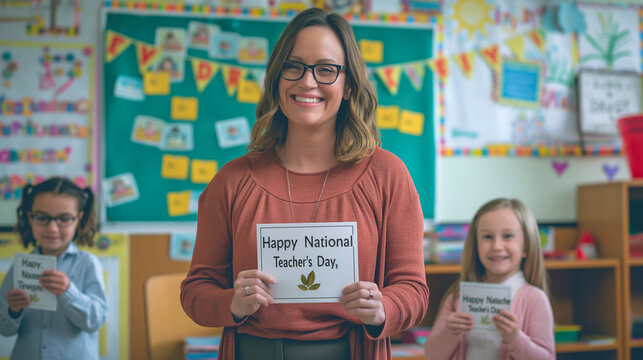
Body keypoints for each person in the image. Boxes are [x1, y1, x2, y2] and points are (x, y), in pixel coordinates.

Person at [181, 7, 428, 360]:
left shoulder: (387, 175)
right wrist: (232, 302)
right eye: (293, 66)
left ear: (348, 86)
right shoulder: (231, 182)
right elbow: (195, 293)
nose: (307, 82)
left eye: (326, 69)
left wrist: (383, 307)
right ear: (277, 78)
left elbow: (414, 291)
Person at [423, 198, 555, 360]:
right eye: (487, 237)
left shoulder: (534, 299)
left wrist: (515, 339)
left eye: (507, 236)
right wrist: (449, 333)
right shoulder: (457, 297)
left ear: (526, 247)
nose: (497, 246)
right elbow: (432, 355)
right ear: (476, 245)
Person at [0, 177, 108, 360]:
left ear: (78, 219)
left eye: (64, 219)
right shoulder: (19, 267)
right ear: (30, 218)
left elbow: (95, 321)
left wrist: (69, 292)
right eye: (42, 217)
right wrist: (14, 311)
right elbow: (4, 329)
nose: (52, 228)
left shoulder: (88, 263)